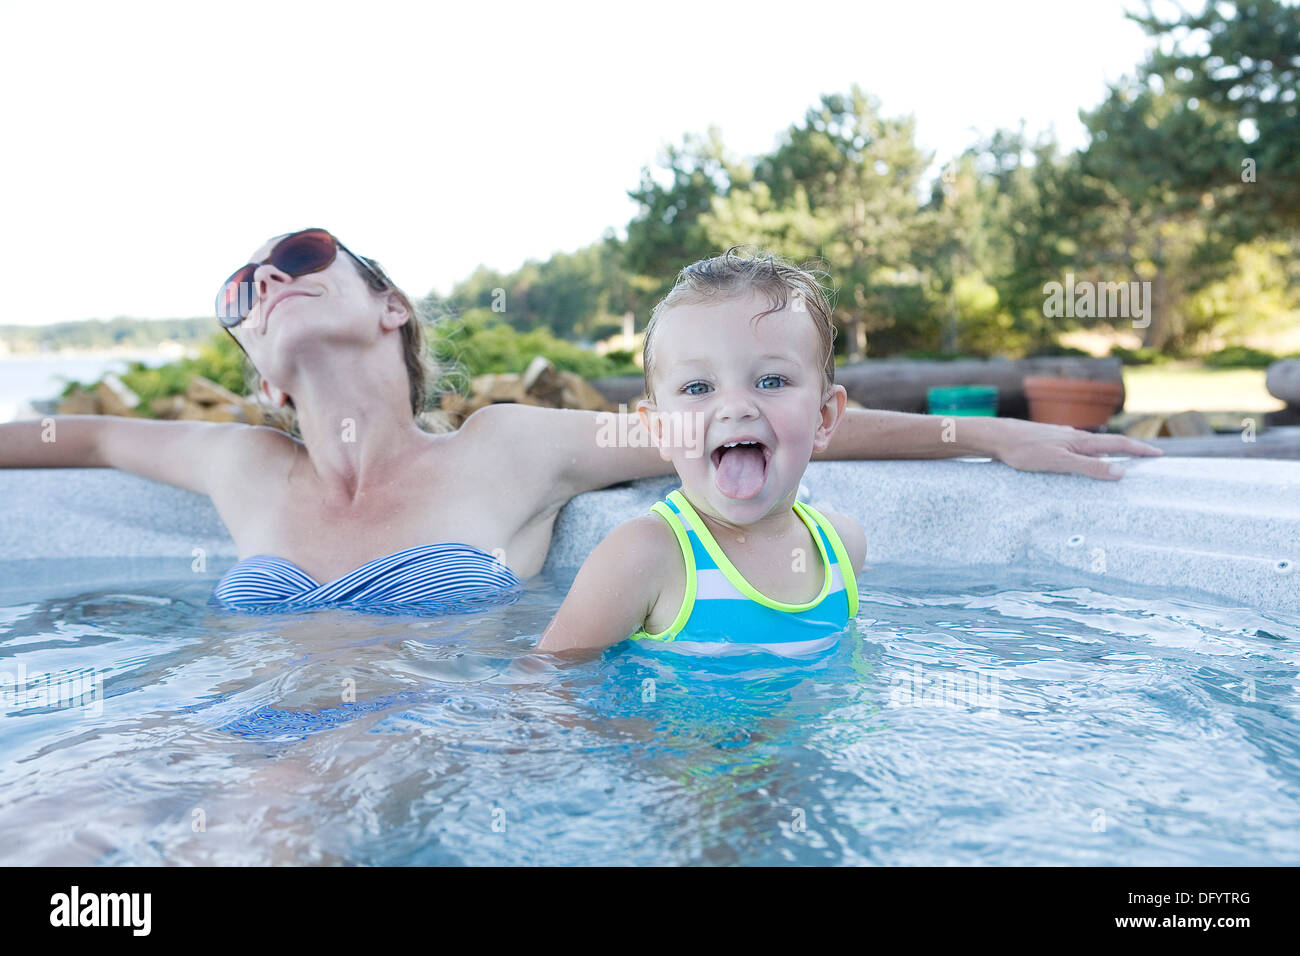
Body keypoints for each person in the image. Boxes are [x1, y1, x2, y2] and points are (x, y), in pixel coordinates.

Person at [0, 228, 1161, 613]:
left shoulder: (510, 444)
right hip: (206, 732)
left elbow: (741, 433)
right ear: (255, 369)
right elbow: (68, 437)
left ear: (389, 306)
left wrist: (995, 434)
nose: (270, 283)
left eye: (299, 257)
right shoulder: (235, 462)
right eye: (241, 294)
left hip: (417, 745)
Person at [538, 251, 864, 656]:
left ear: (824, 416)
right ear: (659, 428)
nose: (736, 407)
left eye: (771, 380)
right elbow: (545, 684)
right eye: (698, 388)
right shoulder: (646, 556)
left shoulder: (843, 548)